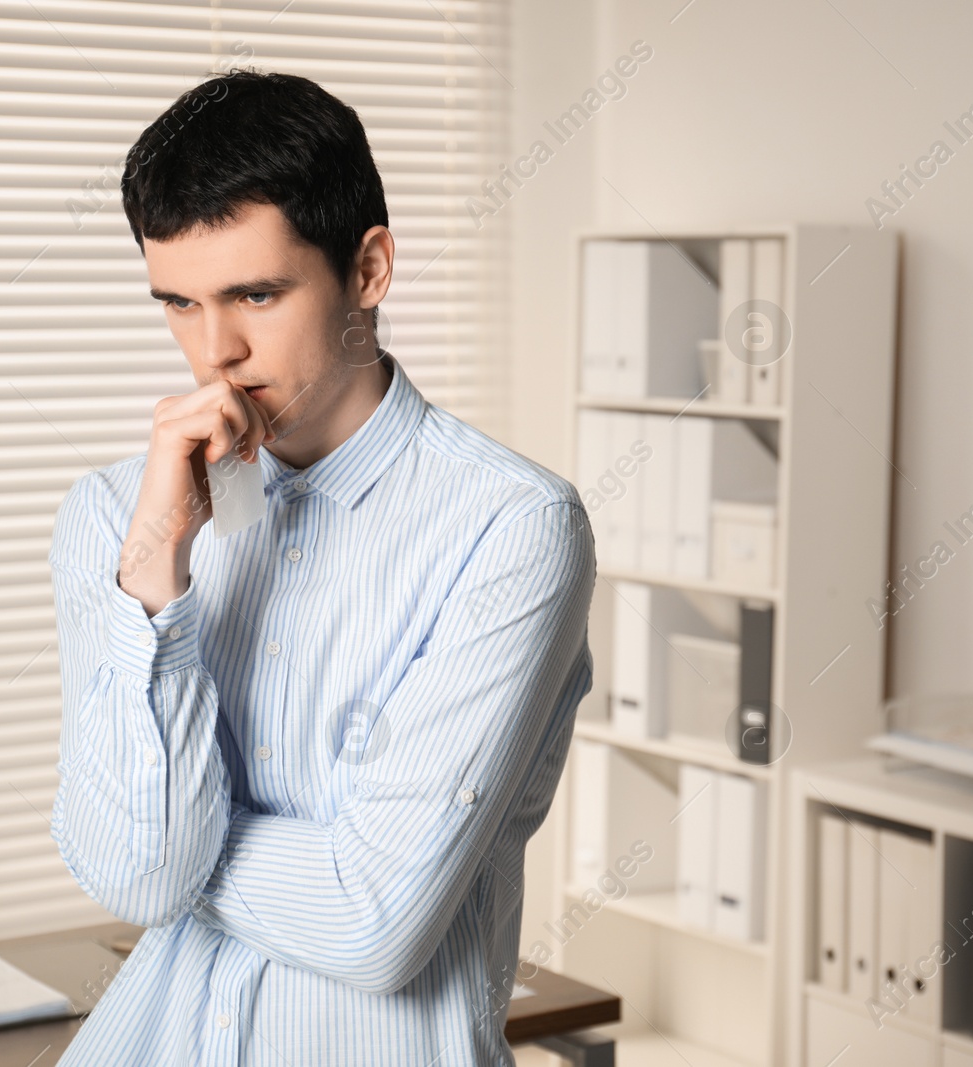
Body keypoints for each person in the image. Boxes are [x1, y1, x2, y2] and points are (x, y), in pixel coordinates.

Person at [48, 69, 595, 1066]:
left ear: (370, 268)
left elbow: (372, 919)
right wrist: (157, 571)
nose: (215, 350)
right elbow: (130, 879)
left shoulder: (512, 528)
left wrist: (176, 837)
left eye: (256, 292)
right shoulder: (120, 517)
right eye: (177, 301)